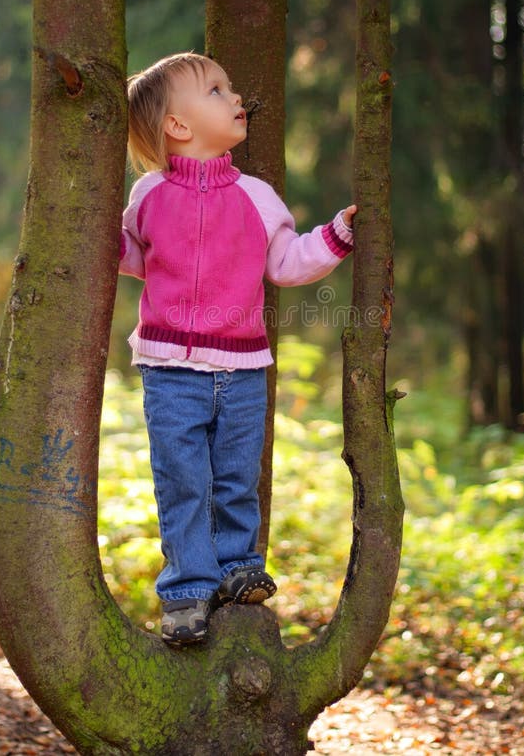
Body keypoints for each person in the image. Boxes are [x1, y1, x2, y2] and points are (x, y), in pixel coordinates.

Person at [119, 52, 356, 645]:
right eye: (217, 90)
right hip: (170, 368)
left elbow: (284, 262)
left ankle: (237, 569)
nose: (235, 97)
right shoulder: (148, 195)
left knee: (235, 476)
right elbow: (131, 257)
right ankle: (187, 593)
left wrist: (334, 236)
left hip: (244, 368)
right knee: (181, 479)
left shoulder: (256, 195)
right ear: (178, 125)